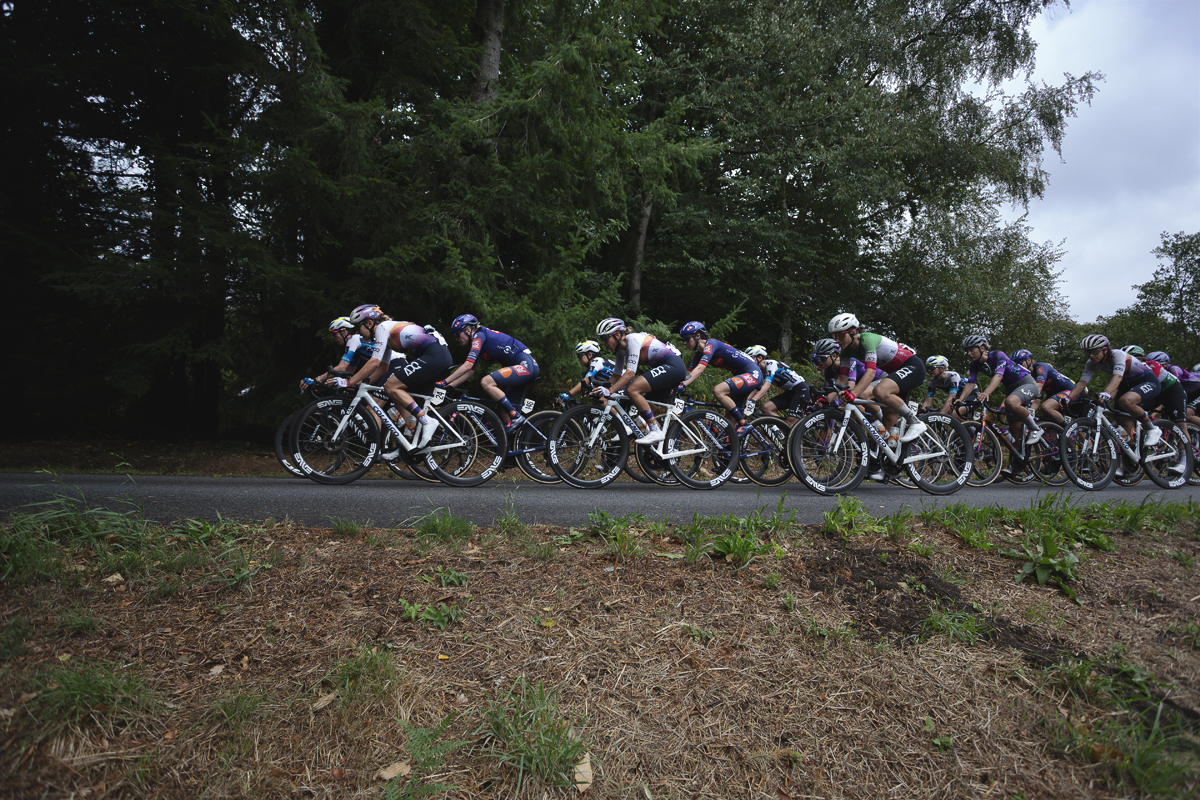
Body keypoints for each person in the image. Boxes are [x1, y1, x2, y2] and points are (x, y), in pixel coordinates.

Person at [345, 304, 452, 452]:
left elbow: (374, 362)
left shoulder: (382, 328)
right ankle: (407, 446)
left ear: (369, 323)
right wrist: (360, 383)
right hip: (438, 355)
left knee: (391, 386)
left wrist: (350, 382)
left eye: (358, 328)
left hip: (434, 355)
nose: (357, 332)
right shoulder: (386, 332)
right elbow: (383, 367)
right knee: (398, 393)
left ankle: (427, 421)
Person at [827, 313, 926, 443]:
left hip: (913, 366)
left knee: (880, 391)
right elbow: (842, 378)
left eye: (840, 335)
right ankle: (891, 457)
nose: (837, 340)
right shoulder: (846, 351)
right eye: (834, 336)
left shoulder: (866, 339)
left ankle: (915, 422)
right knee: (882, 414)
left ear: (852, 332)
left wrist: (853, 394)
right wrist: (828, 399)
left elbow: (870, 373)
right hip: (896, 373)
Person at [592, 317, 687, 445]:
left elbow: (630, 373)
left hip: (674, 366)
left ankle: (656, 431)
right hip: (666, 369)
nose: (603, 343)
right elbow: (616, 376)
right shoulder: (620, 351)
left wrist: (609, 391)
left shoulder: (632, 339)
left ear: (617, 334)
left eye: (604, 338)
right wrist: (599, 388)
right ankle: (664, 448)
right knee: (644, 415)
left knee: (632, 389)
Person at [441, 314, 539, 434]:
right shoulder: (478, 340)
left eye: (457, 333)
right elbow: (469, 372)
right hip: (525, 366)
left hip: (525, 365)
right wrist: (449, 386)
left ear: (467, 330)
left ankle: (516, 416)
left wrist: (444, 382)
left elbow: (467, 365)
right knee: (505, 413)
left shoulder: (479, 335)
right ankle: (512, 449)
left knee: (486, 382)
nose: (456, 338)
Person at [1065, 334, 1164, 447]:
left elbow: (1117, 377)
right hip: (1126, 385)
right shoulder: (1091, 363)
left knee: (1126, 401)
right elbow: (1082, 382)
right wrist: (1068, 397)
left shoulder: (1117, 355)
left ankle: (1151, 428)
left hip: (1146, 381)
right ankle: (1131, 456)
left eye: (1094, 351)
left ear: (1105, 349)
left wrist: (1107, 392)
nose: (1091, 355)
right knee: (1120, 418)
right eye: (1087, 352)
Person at [958, 336, 1044, 454]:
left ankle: (1035, 429)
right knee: (1015, 430)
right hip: (1011, 388)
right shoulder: (974, 364)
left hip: (1026, 383)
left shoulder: (998, 355)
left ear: (982, 348)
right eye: (966, 351)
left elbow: (999, 376)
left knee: (1011, 402)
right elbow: (970, 383)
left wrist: (986, 393)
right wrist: (960, 399)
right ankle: (1018, 465)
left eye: (971, 349)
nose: (968, 353)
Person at [676, 321, 764, 432]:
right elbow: (689, 374)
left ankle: (744, 424)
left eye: (686, 339)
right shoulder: (698, 354)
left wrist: (682, 385)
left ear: (697, 336)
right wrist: (676, 386)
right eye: (683, 339)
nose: (685, 342)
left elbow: (700, 369)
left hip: (752, 374)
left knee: (718, 390)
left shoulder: (711, 344)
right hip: (741, 375)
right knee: (730, 418)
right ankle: (732, 447)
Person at [300, 317, 385, 390]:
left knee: (370, 407)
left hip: (389, 368)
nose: (334, 338)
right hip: (386, 369)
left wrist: (316, 380)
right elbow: (348, 373)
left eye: (334, 334)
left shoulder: (354, 339)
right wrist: (325, 384)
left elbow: (342, 367)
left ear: (344, 331)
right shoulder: (358, 345)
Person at [744, 345, 811, 425]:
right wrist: (745, 401)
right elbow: (755, 388)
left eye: (751, 359)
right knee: (766, 408)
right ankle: (784, 428)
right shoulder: (760, 372)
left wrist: (753, 400)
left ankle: (791, 430)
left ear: (759, 358)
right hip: (789, 393)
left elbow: (766, 386)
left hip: (800, 390)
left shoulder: (770, 364)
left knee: (791, 422)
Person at [1011, 349, 1075, 425]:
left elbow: (1039, 386)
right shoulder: (1026, 376)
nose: (1018, 366)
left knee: (1046, 407)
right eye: (1015, 364)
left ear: (1029, 360)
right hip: (1052, 394)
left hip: (1070, 389)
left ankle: (1067, 431)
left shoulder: (1041, 367)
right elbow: (1038, 398)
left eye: (1019, 363)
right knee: (1048, 419)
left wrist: (1029, 400)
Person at [558, 340, 617, 406]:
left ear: (589, 355)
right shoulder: (590, 367)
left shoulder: (597, 361)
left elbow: (585, 381)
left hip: (624, 385)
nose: (578, 359)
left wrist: (568, 394)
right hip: (616, 387)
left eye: (579, 355)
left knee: (602, 401)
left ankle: (617, 417)